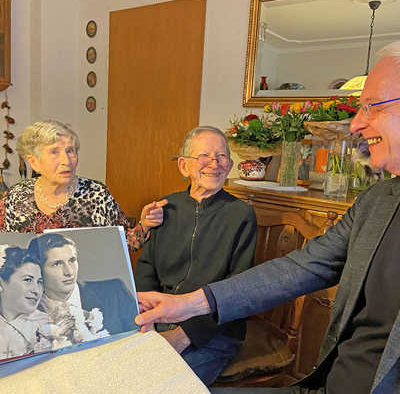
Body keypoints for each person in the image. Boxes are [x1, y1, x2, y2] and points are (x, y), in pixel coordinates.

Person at [135, 41, 400, 393]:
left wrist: (188, 327)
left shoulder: (237, 213)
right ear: (184, 166)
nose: (355, 125)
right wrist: (185, 304)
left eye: (371, 107)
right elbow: (301, 268)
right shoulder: (379, 200)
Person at [134, 126, 257, 385]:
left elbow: (238, 291)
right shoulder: (167, 207)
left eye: (222, 156)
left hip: (213, 332)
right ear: (184, 166)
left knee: (163, 385)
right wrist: (151, 320)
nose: (214, 163)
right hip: (158, 319)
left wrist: (182, 336)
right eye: (205, 156)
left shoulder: (240, 215)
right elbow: (147, 268)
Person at [0, 120, 166, 250]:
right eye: (54, 152)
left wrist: (144, 224)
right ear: (34, 162)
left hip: (82, 288)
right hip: (30, 290)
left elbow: (125, 244)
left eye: (70, 151)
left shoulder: (97, 195)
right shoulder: (14, 197)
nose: (66, 161)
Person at [27, 233, 137, 347]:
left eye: (72, 260)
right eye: (57, 264)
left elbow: (140, 340)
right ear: (38, 270)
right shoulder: (25, 312)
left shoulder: (114, 292)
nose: (69, 272)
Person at [0, 245, 51, 360]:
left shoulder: (47, 325)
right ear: (1, 283)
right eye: (28, 280)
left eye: (39, 282)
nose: (36, 290)